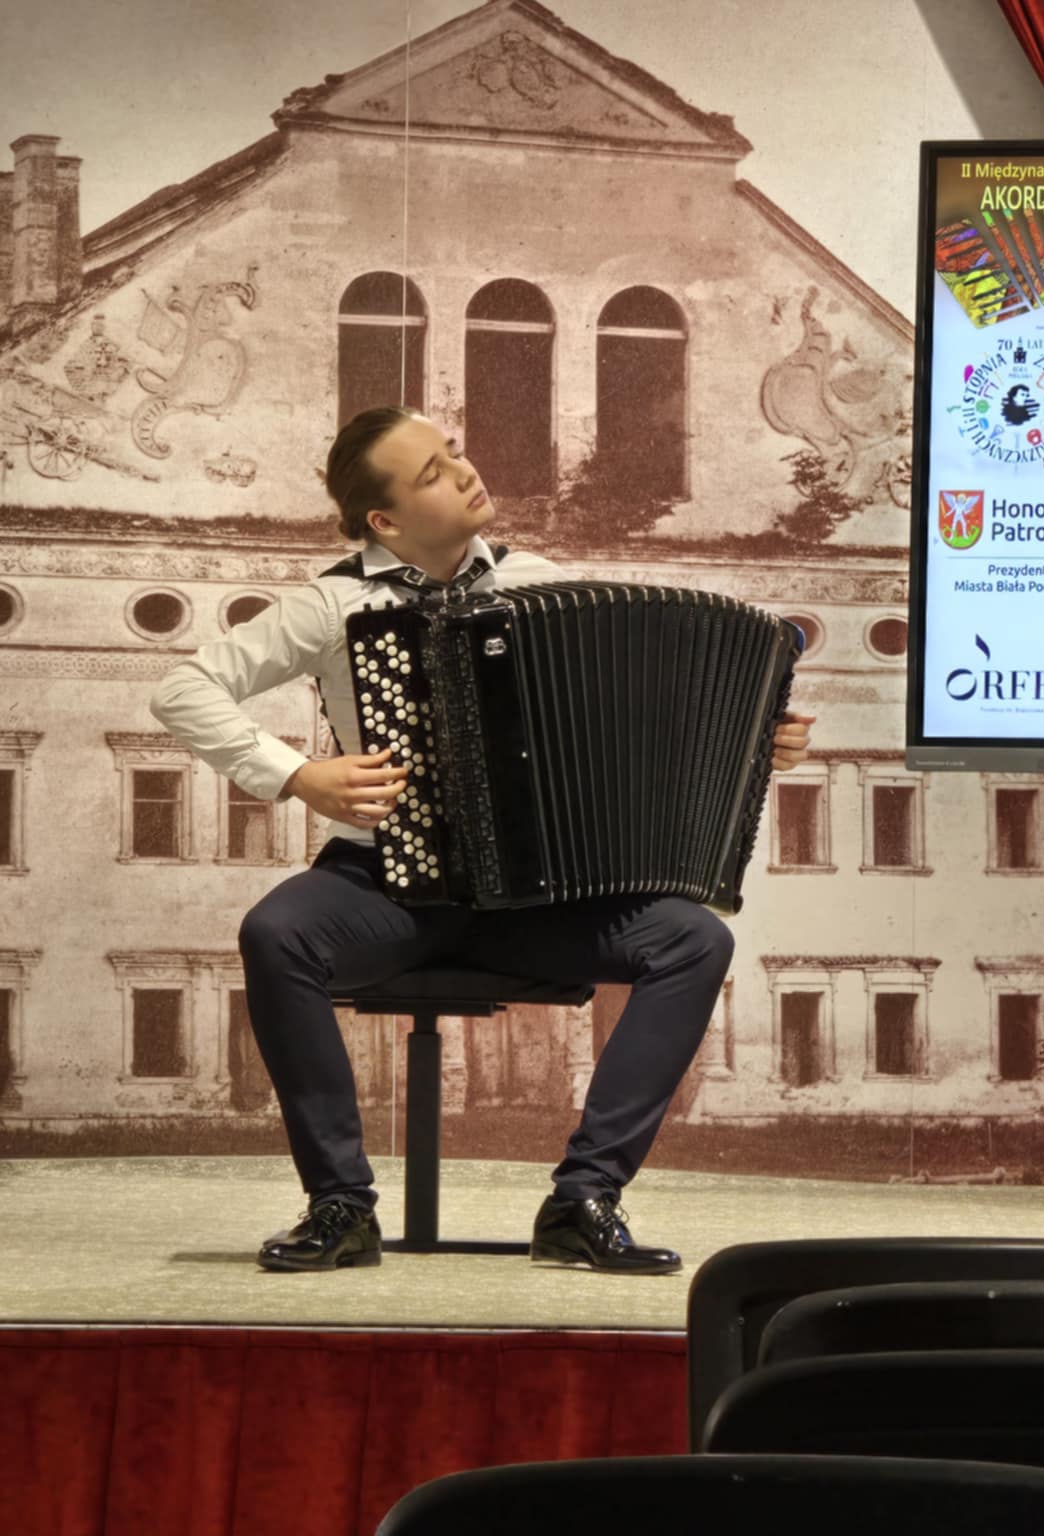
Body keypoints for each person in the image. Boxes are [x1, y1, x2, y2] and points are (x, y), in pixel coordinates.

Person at [150, 406, 813, 1274]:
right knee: (276, 934)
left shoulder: (542, 586)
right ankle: (340, 1204)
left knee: (694, 940)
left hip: (536, 899)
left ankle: (583, 1200)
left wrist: (754, 738)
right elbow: (184, 690)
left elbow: (638, 721)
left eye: (454, 453)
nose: (463, 472)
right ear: (385, 520)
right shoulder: (334, 605)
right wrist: (297, 773)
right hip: (386, 889)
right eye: (431, 473)